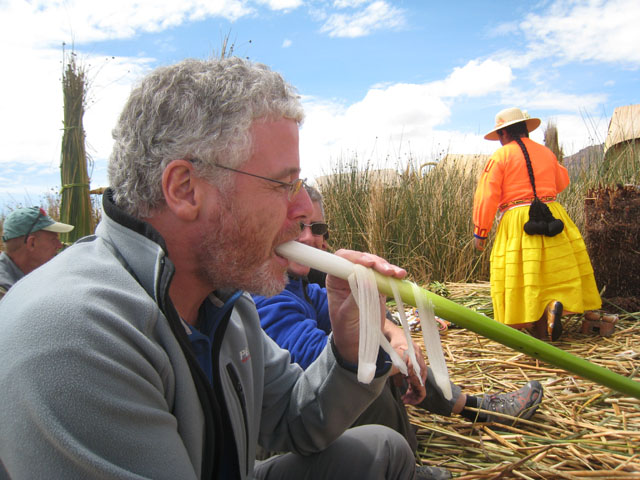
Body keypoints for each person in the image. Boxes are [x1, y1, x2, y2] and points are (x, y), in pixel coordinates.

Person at [0, 57, 435, 480]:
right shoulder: (75, 333)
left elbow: (296, 421)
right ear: (186, 190)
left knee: (381, 451)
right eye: (283, 184)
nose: (303, 211)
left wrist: (350, 347)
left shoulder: (222, 300)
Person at [253, 185, 544, 456]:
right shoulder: (264, 292)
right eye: (296, 226)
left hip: (319, 407)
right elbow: (316, 357)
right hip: (292, 429)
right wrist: (396, 357)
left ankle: (470, 406)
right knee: (370, 374)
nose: (307, 238)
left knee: (382, 340)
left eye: (317, 227)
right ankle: (407, 465)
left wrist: (398, 336)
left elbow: (352, 318)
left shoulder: (301, 286)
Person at [473, 107, 601, 341]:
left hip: (518, 218)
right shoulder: (546, 152)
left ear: (503, 134)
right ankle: (552, 307)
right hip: (551, 213)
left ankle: (534, 325)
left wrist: (480, 231)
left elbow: (487, 194)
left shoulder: (500, 157)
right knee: (552, 270)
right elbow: (562, 181)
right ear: (525, 129)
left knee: (525, 271)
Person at [0, 206, 73, 299]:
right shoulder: (5, 295)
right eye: (54, 240)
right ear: (32, 243)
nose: (59, 245)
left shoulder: (27, 276)